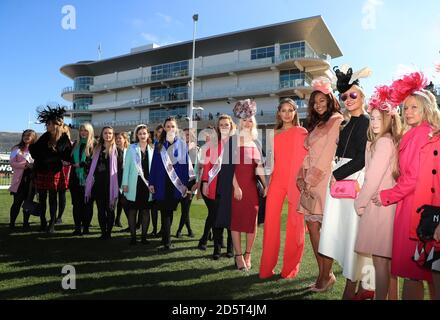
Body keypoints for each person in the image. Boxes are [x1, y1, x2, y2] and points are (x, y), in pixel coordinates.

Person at [373, 72, 440, 299]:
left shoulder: (420, 135)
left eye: (414, 108)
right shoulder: (416, 133)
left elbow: (412, 178)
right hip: (416, 206)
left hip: (414, 209)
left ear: (425, 110)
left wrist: (386, 196)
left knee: (414, 273)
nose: (408, 112)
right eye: (406, 108)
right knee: (425, 272)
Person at [318, 65, 374, 299]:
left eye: (353, 95)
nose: (348, 99)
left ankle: (355, 286)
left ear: (362, 96)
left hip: (353, 180)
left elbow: (361, 158)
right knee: (339, 232)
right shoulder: (345, 123)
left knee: (354, 233)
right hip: (338, 179)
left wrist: (336, 175)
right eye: (344, 96)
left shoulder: (368, 121)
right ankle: (361, 285)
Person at [354, 85, 402, 300]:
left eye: (378, 119)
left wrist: (359, 202)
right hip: (384, 206)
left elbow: (371, 178)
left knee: (381, 261)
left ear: (389, 120)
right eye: (371, 118)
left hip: (378, 206)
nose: (374, 123)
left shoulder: (383, 142)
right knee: (385, 261)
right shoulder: (383, 141)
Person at [297, 77, 343, 290]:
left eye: (322, 99)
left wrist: (310, 178)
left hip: (325, 179)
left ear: (330, 99)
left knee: (326, 229)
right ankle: (324, 273)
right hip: (310, 180)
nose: (318, 104)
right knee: (313, 227)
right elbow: (309, 154)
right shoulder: (316, 125)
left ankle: (325, 276)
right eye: (315, 101)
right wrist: (301, 175)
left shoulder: (336, 119)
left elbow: (327, 155)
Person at [259, 98, 308, 279]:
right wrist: (267, 184)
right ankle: (266, 268)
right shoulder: (273, 134)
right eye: (284, 110)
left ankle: (289, 269)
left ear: (295, 112)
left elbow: (307, 160)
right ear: (279, 113)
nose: (287, 114)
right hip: (277, 182)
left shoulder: (302, 132)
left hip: (296, 182)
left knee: (296, 225)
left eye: (290, 110)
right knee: (270, 223)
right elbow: (270, 162)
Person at [230, 101, 267, 271]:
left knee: (252, 223)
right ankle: (238, 256)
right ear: (240, 122)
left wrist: (266, 185)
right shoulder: (233, 140)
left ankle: (248, 254)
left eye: (250, 120)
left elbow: (259, 167)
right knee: (236, 222)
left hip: (252, 188)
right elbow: (229, 168)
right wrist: (236, 187)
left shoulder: (256, 142)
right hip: (236, 187)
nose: (247, 122)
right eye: (245, 120)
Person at [149, 117, 194, 252]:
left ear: (176, 128)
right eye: (168, 126)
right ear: (164, 128)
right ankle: (167, 242)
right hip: (161, 183)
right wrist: (151, 182)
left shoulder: (181, 144)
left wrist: (185, 184)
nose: (170, 129)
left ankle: (165, 238)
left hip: (176, 184)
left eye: (172, 126)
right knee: (165, 212)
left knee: (169, 211)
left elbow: (185, 166)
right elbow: (154, 166)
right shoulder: (159, 144)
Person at [29, 105, 73, 233]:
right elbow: (35, 152)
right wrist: (40, 153)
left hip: (54, 172)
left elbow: (66, 156)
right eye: (47, 124)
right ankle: (43, 222)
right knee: (42, 198)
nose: (46, 126)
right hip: (42, 170)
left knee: (53, 199)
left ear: (55, 125)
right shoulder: (45, 136)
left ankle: (52, 224)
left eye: (48, 124)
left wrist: (52, 157)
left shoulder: (64, 138)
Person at [201, 117, 236, 259]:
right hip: (215, 184)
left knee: (231, 219)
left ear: (231, 126)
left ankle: (230, 249)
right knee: (216, 218)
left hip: (232, 185)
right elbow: (207, 165)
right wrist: (204, 182)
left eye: (226, 124)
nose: (224, 127)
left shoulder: (236, 143)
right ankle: (216, 249)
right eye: (221, 125)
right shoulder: (213, 144)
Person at [85, 126, 120, 240]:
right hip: (99, 185)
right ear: (102, 135)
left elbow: (120, 168)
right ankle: (103, 232)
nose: (108, 135)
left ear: (113, 135)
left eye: (110, 133)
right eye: (105, 133)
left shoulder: (117, 150)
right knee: (100, 210)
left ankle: (108, 233)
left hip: (111, 185)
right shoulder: (96, 149)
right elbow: (91, 167)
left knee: (110, 210)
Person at [122, 125, 154, 245]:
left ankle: (144, 237)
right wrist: (124, 184)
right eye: (140, 133)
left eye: (144, 133)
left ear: (148, 135)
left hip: (147, 186)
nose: (142, 135)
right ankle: (133, 237)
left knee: (146, 211)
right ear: (137, 135)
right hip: (133, 185)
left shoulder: (152, 149)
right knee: (132, 211)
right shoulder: (131, 148)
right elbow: (127, 168)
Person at [69, 123, 95, 236]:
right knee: (76, 204)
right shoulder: (75, 144)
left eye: (86, 130)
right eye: (81, 130)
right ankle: (77, 228)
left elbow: (94, 162)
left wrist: (82, 164)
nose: (83, 132)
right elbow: (70, 159)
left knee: (87, 204)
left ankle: (86, 228)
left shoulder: (94, 144)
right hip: (75, 178)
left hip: (88, 179)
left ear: (90, 132)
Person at [9, 129, 37, 230]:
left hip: (31, 181)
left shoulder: (36, 150)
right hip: (19, 181)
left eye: (29, 135)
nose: (26, 137)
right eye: (24, 135)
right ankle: (12, 223)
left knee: (28, 203)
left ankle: (26, 223)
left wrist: (33, 166)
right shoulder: (16, 148)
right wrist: (25, 165)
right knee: (16, 203)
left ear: (33, 137)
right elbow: (12, 163)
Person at [176, 128, 199, 238]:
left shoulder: (196, 150)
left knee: (186, 208)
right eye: (185, 135)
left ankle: (180, 230)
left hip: (191, 183)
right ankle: (189, 230)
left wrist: (197, 183)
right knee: (185, 208)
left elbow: (198, 168)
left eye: (189, 135)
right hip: (180, 182)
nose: (187, 137)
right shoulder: (178, 149)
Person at [151, 125, 164, 237]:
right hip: (154, 180)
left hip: (164, 181)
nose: (160, 133)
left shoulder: (166, 145)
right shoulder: (154, 145)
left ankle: (163, 229)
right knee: (154, 207)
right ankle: (154, 228)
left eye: (162, 131)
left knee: (164, 209)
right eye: (158, 132)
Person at [115, 132, 130, 229]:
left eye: (120, 138)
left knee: (123, 201)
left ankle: (118, 220)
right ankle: (129, 222)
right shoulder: (114, 151)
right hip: (116, 178)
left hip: (126, 179)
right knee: (121, 200)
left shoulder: (128, 150)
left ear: (125, 139)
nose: (118, 140)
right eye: (117, 138)